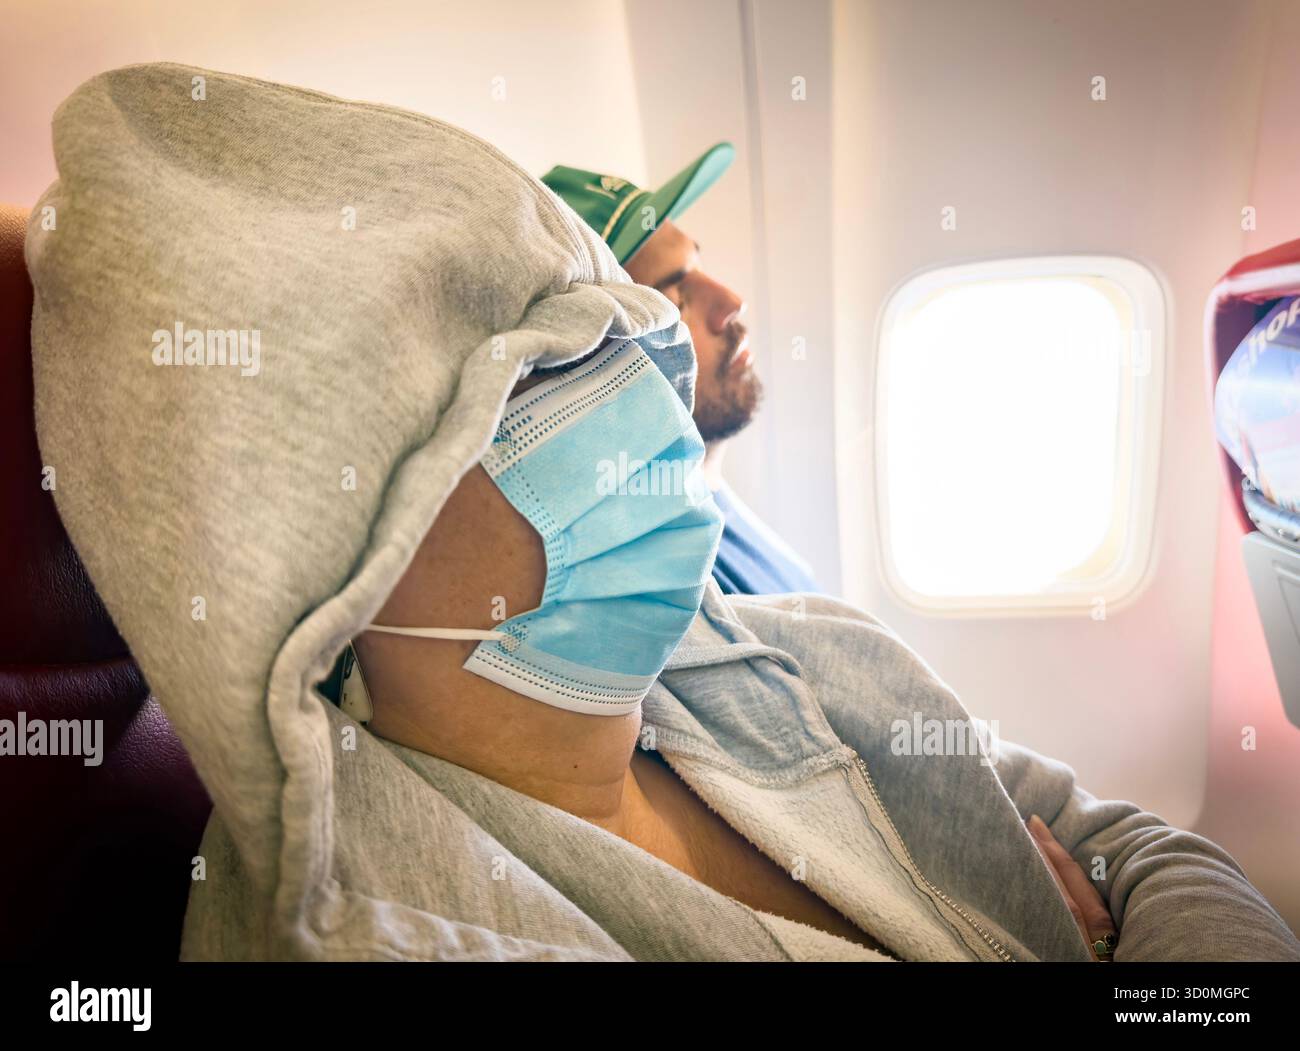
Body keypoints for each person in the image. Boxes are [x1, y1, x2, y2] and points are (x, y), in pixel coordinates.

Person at [542, 147, 823, 596]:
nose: (732, 302)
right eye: (674, 297)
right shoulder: (677, 588)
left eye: (700, 268)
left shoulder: (724, 507)